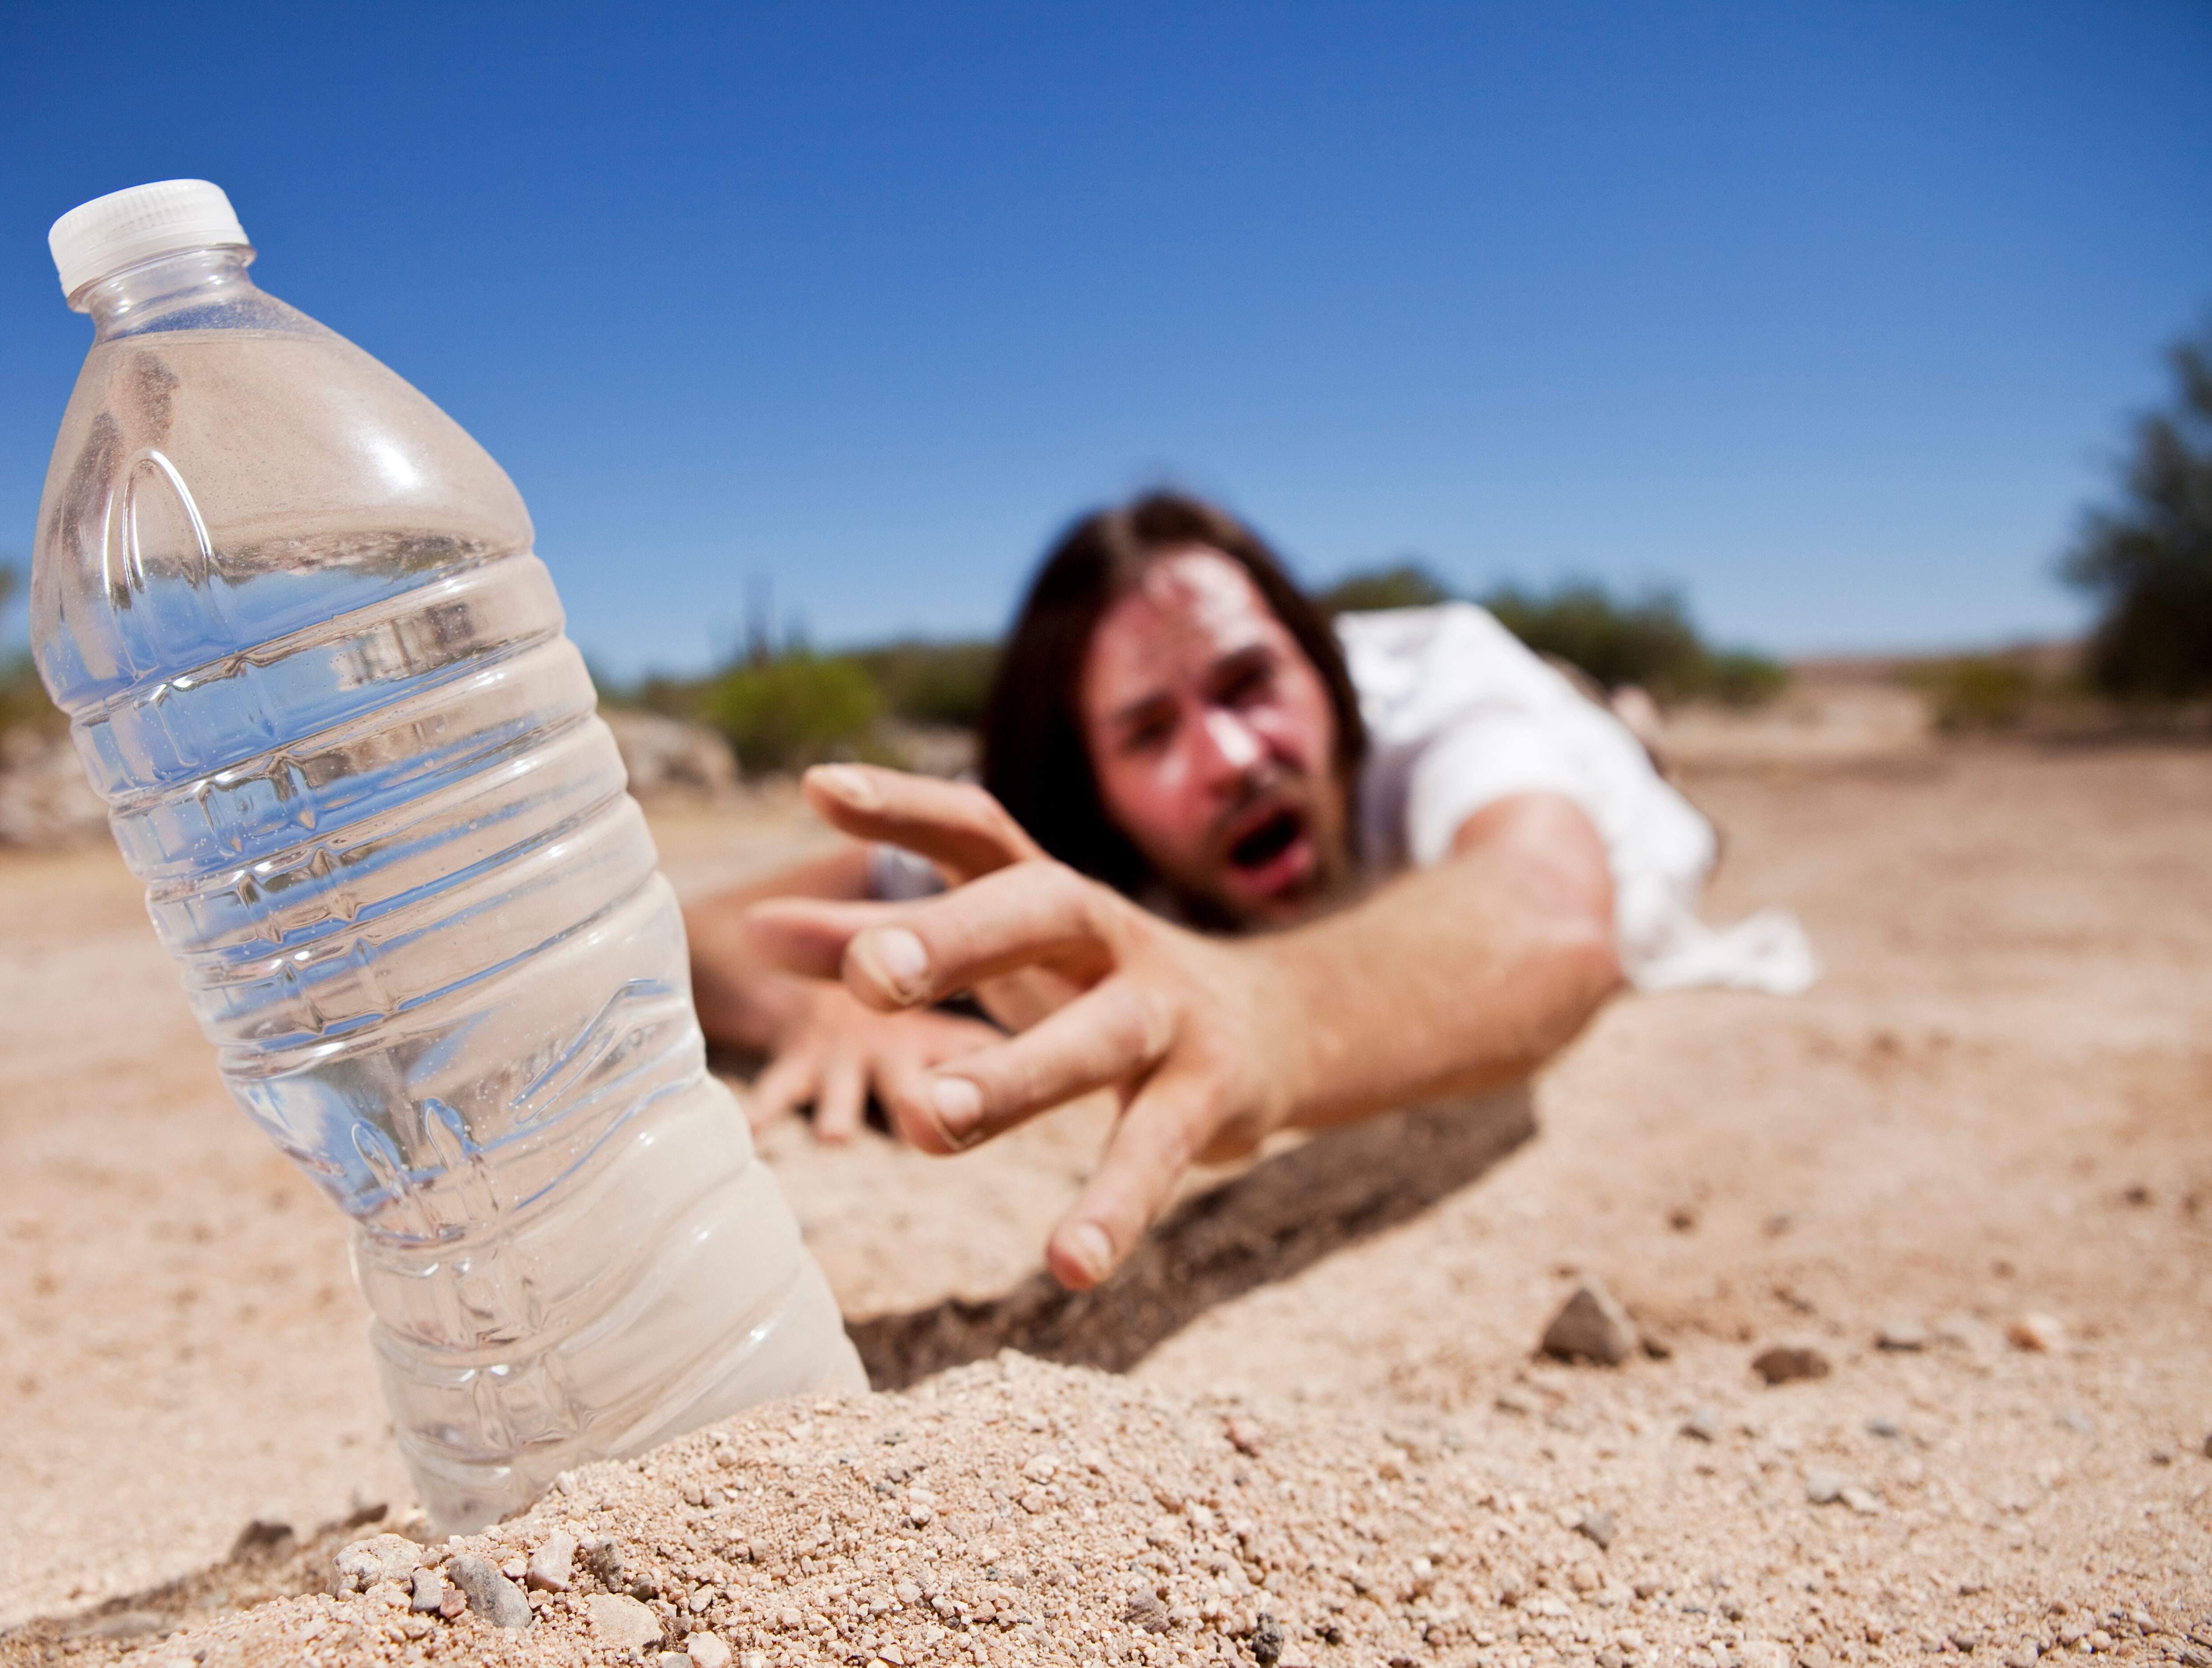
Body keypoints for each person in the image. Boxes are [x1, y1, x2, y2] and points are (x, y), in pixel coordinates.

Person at [684, 492, 1805, 1294]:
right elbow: (702, 933)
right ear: (1095, 789)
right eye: (1150, 731)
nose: (1230, 756)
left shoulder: (1444, 697)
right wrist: (824, 1005)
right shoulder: (1050, 834)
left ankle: (1623, 717)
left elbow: (1550, 917)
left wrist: (1260, 1013)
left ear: (1321, 668)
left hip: (1595, 774)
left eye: (1249, 682)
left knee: (1639, 770)